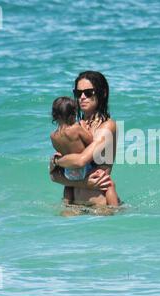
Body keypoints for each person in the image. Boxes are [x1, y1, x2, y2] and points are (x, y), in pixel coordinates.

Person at [50, 71, 119, 213]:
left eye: (88, 92)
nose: (82, 97)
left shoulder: (107, 126)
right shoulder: (74, 128)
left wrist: (57, 161)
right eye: (78, 93)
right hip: (73, 204)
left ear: (102, 93)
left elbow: (80, 161)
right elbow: (54, 176)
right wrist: (83, 183)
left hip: (101, 205)